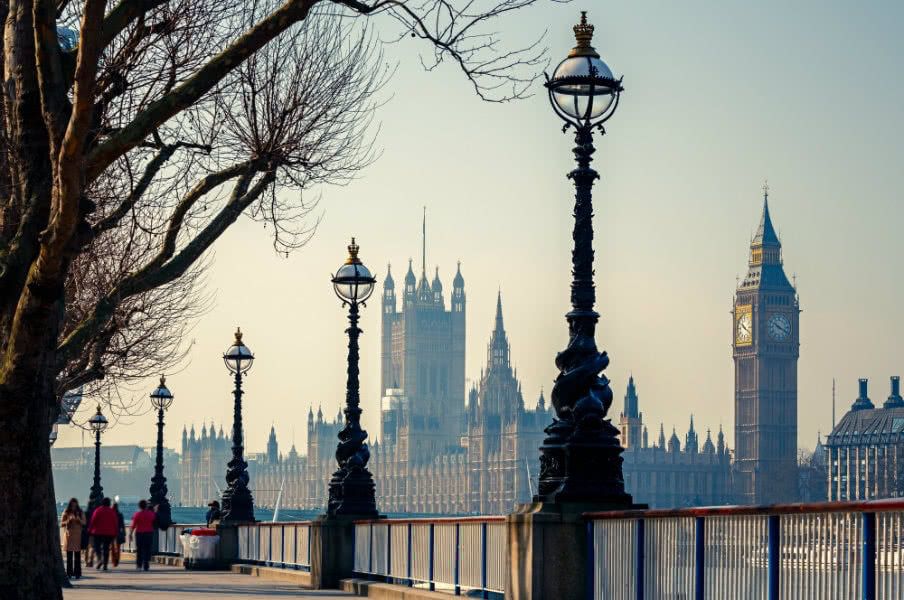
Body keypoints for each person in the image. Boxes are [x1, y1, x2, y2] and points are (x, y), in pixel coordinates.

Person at [88, 497, 118, 570]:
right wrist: (116, 532)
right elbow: (115, 522)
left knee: (97, 547)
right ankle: (105, 564)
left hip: (98, 532)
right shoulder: (112, 511)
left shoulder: (98, 510)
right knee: (106, 548)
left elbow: (93, 521)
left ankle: (99, 559)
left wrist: (89, 530)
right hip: (109, 533)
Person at [60, 498, 85, 579]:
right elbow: (62, 524)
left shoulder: (80, 512)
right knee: (69, 556)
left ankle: (77, 573)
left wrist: (78, 519)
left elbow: (84, 522)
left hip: (78, 536)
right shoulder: (66, 512)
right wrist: (68, 520)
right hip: (69, 536)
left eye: (75, 505)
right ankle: (69, 573)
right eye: (72, 505)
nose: (73, 507)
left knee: (77, 556)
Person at [131, 499, 156, 571]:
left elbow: (133, 525)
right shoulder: (151, 514)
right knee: (147, 549)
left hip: (139, 533)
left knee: (139, 549)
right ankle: (146, 564)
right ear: (146, 506)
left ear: (139, 506)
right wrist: (155, 511)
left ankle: (139, 564)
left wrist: (130, 533)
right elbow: (154, 520)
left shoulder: (137, 514)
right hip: (149, 533)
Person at [111, 500, 126, 567]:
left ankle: (113, 560)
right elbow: (122, 524)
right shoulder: (120, 514)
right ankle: (117, 558)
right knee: (118, 547)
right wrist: (124, 532)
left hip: (111, 532)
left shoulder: (110, 514)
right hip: (118, 532)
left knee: (112, 547)